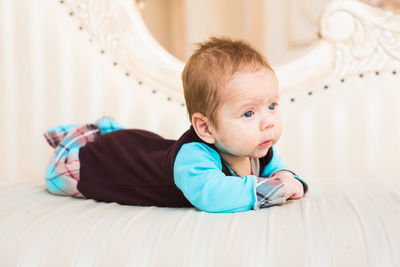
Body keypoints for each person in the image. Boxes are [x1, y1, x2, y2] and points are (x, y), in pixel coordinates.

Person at [44, 37, 308, 213]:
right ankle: (81, 143)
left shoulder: (258, 146)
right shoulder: (192, 157)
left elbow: (280, 171)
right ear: (205, 128)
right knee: (60, 178)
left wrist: (287, 178)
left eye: (272, 106)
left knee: (145, 145)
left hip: (145, 144)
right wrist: (277, 189)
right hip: (104, 161)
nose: (268, 123)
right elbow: (213, 196)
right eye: (249, 113)